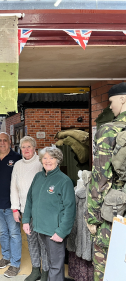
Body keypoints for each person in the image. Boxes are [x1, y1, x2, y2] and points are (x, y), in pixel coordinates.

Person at [86, 82, 126, 281]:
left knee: (106, 264)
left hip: (115, 212)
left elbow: (101, 177)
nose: (110, 107)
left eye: (111, 101)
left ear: (122, 99)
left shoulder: (109, 130)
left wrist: (92, 217)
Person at [22, 146, 76, 281]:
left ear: (58, 160)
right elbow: (29, 200)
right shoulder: (38, 177)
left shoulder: (64, 180)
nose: (48, 161)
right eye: (45, 158)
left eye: (52, 158)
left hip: (54, 231)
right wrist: (26, 220)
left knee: (55, 266)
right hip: (40, 228)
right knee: (53, 263)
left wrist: (61, 232)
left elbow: (70, 209)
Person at [10, 136, 48, 281]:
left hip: (41, 210)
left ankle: (46, 271)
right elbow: (13, 187)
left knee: (43, 241)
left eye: (29, 147)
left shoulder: (41, 163)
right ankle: (35, 269)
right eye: (23, 147)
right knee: (31, 240)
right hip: (25, 210)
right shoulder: (18, 165)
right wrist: (15, 208)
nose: (26, 149)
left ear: (34, 148)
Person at [0, 132, 22, 278]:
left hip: (12, 205)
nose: (2, 143)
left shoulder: (17, 158)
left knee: (14, 234)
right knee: (3, 233)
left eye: (5, 140)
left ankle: (15, 264)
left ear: (9, 142)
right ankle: (6, 257)